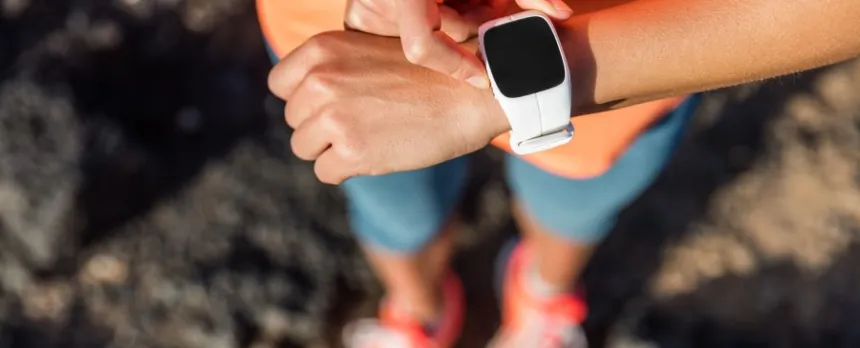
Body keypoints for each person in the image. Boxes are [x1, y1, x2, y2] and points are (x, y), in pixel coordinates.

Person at [259, 0, 860, 346]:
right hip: (338, 32)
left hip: (622, 63)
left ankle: (541, 297)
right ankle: (417, 309)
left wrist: (498, 93)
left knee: (572, 207)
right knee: (393, 208)